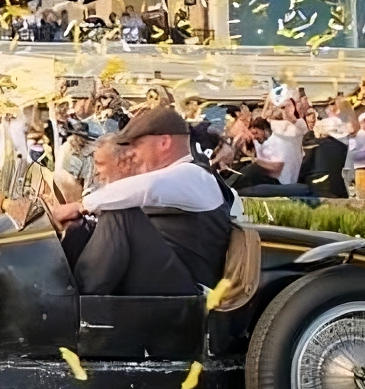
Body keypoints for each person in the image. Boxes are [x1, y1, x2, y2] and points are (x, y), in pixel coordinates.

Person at [49, 108, 235, 296]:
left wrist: (80, 206)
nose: (132, 153)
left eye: (136, 145)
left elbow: (146, 189)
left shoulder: (193, 174)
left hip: (190, 290)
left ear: (164, 142)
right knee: (83, 229)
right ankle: (58, 287)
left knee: (120, 216)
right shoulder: (178, 177)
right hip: (169, 276)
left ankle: (75, 303)